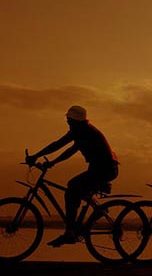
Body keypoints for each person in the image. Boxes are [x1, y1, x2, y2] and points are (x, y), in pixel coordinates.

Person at [26, 105, 119, 247]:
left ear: (73, 120)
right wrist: (46, 159)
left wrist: (42, 158)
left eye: (68, 119)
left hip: (104, 169)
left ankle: (70, 231)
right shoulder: (82, 130)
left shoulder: (83, 131)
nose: (67, 122)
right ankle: (94, 213)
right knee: (77, 188)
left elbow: (62, 147)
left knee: (72, 188)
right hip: (101, 168)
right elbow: (64, 147)